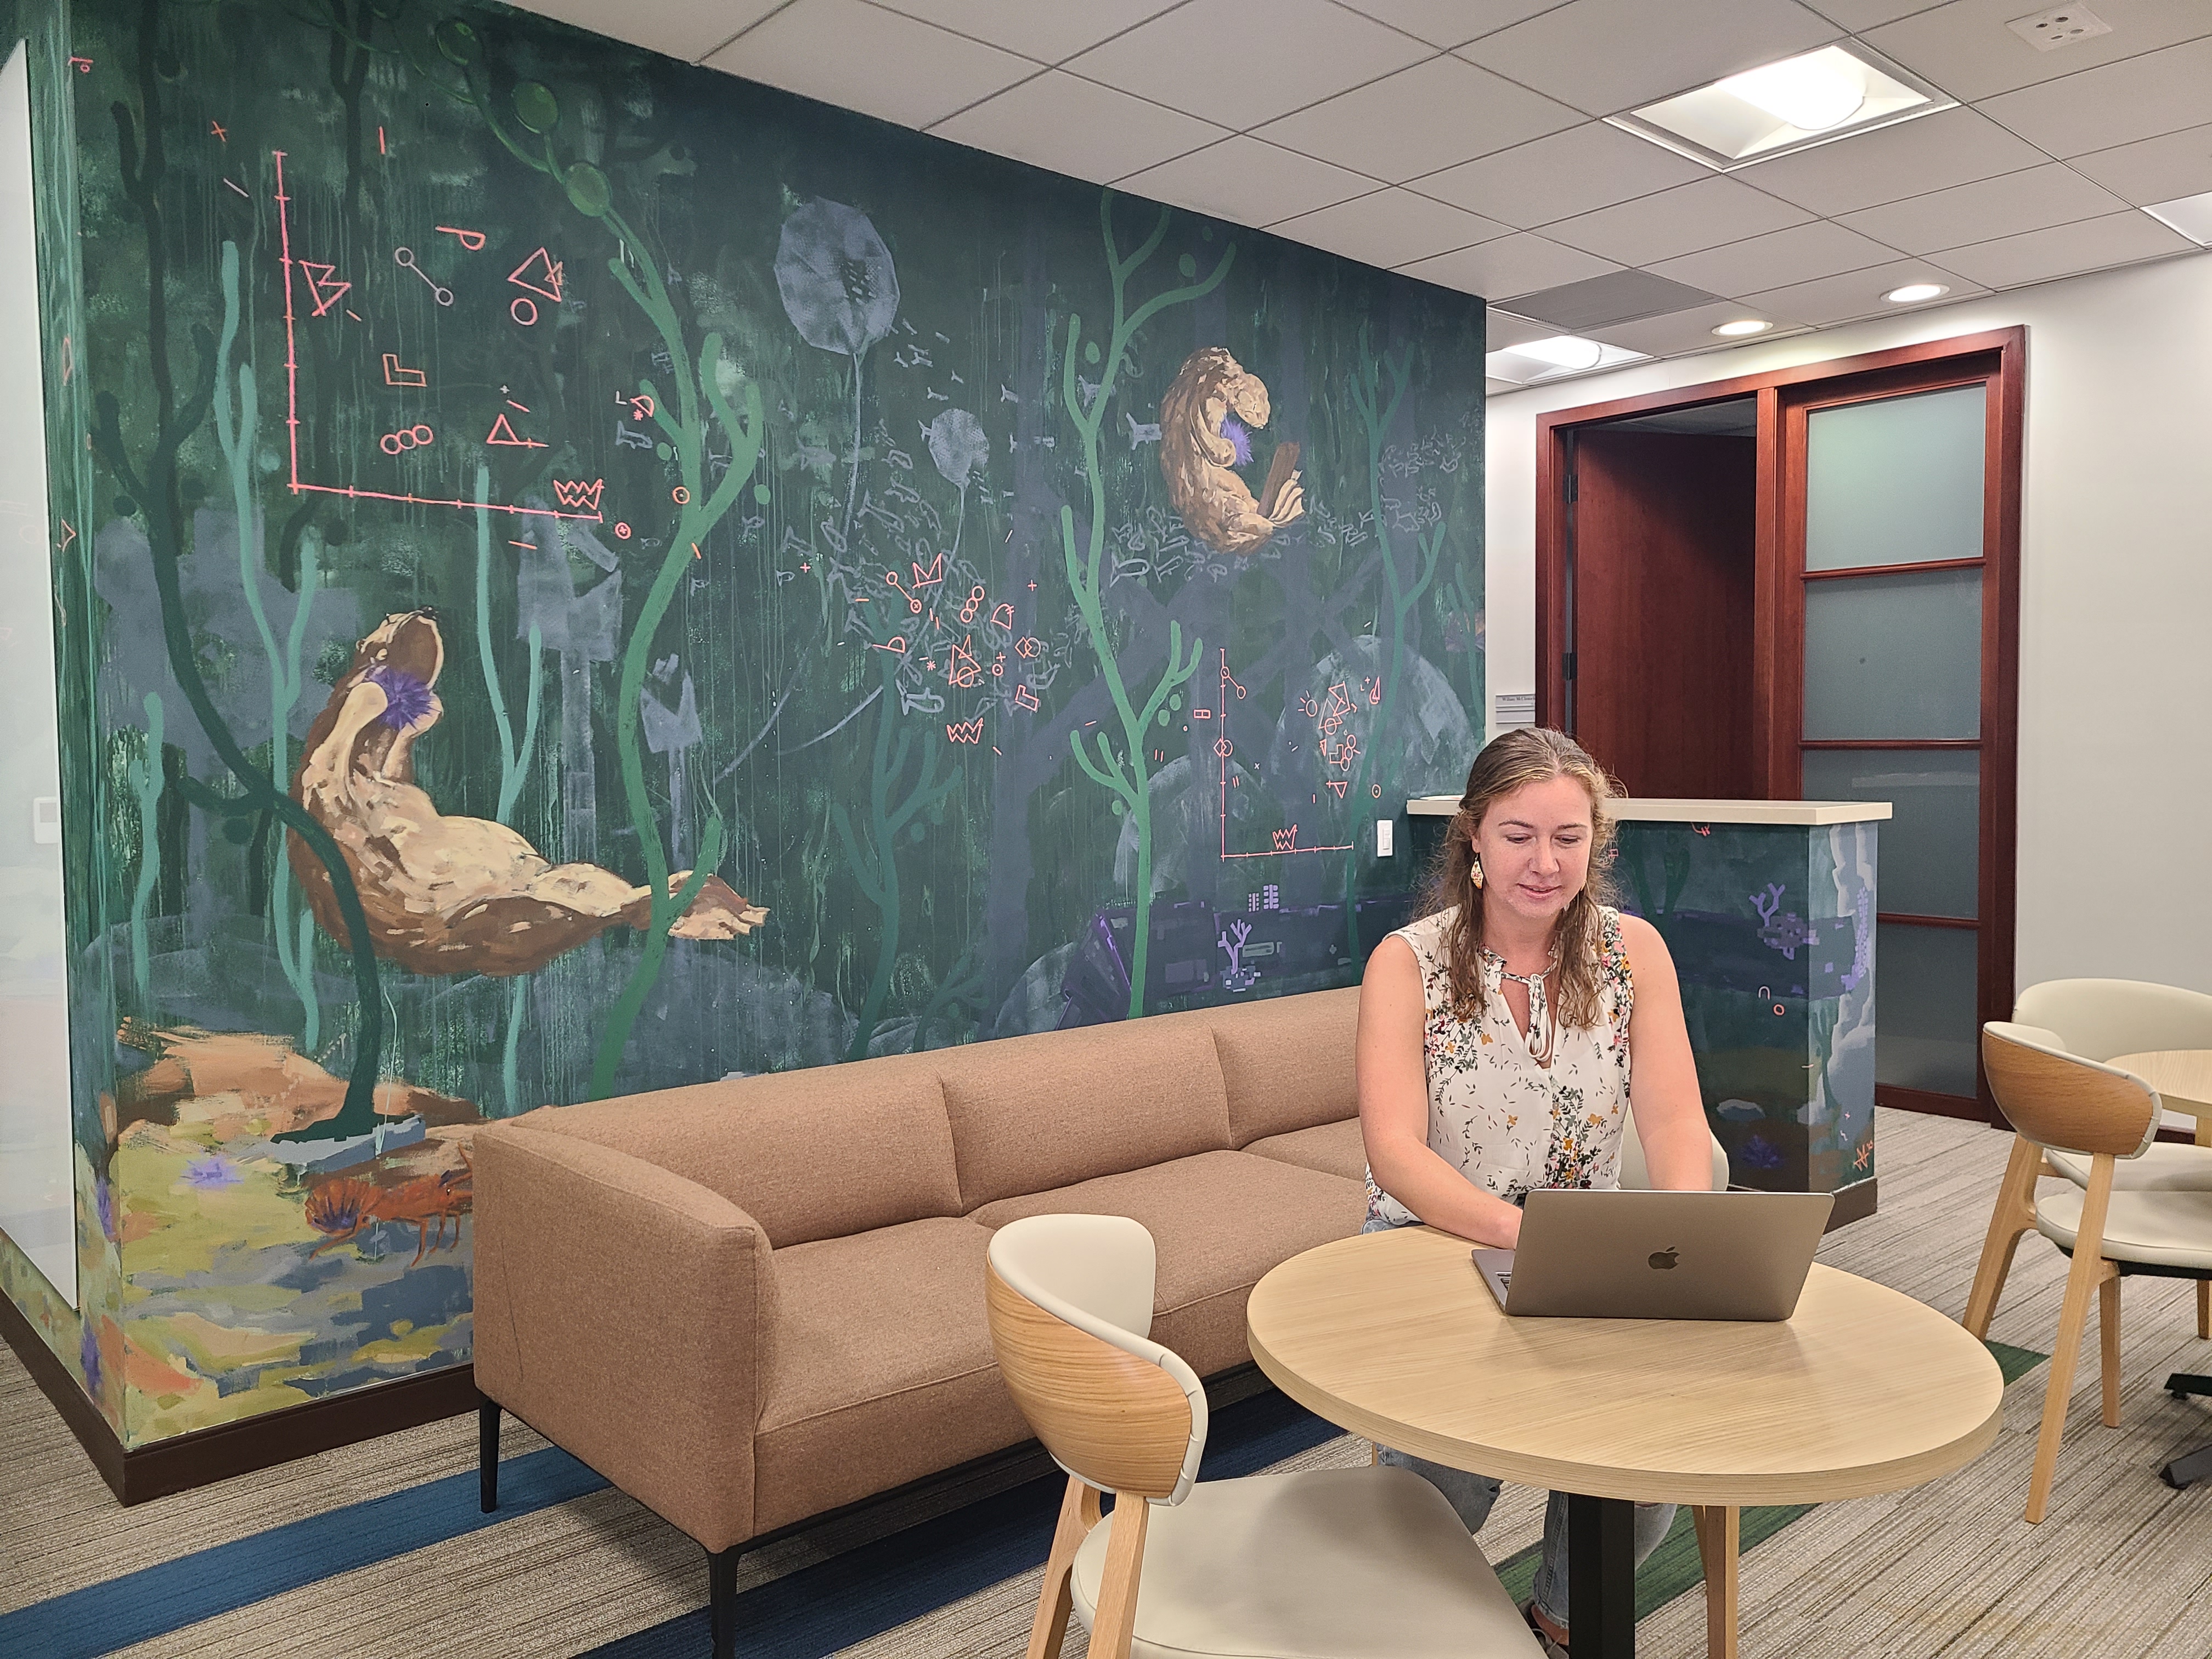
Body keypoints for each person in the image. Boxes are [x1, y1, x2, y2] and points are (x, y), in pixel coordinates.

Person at [1357, 726, 1714, 1655]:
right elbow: (1396, 1151)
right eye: (1519, 835)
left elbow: (1677, 1123)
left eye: (1569, 836)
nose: (1546, 863)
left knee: (1638, 1469)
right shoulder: (1410, 963)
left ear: (1599, 841)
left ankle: (1558, 1625)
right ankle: (1424, 1625)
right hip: (1433, 1250)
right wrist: (1523, 1237)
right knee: (1439, 1492)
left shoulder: (1634, 953)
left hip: (1581, 1261)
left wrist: (1675, 1243)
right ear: (1472, 836)